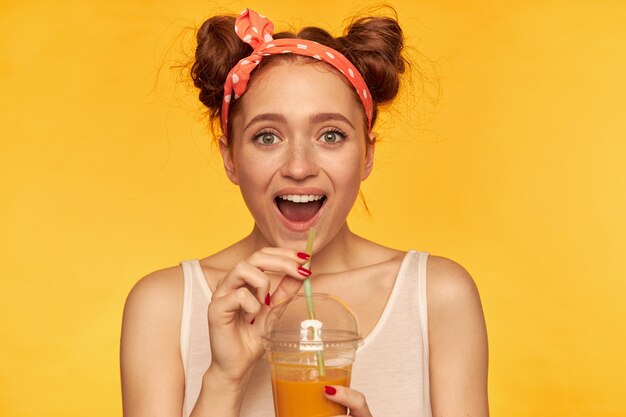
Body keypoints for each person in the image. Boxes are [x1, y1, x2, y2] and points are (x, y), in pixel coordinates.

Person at [120, 7, 489, 417]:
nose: (299, 167)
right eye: (266, 136)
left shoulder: (438, 297)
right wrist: (225, 378)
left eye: (331, 135)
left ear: (367, 155)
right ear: (230, 159)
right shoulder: (164, 307)